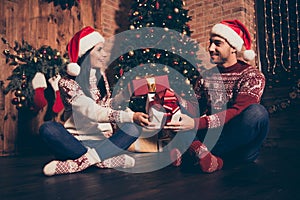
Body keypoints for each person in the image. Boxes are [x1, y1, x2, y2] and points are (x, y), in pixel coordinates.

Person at [40, 26, 150, 176]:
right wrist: (130, 116)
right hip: (76, 142)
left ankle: (80, 163)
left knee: (133, 128)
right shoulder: (67, 83)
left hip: (103, 140)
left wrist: (125, 94)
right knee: (48, 129)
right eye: (99, 50)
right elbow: (92, 111)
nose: (105, 54)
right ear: (85, 54)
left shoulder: (101, 78)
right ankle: (104, 160)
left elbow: (106, 105)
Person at [166, 20, 269, 173]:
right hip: (210, 135)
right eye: (210, 43)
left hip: (240, 145)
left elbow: (238, 111)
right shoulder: (206, 77)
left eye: (217, 43)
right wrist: (171, 97)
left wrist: (194, 125)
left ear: (233, 48)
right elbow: (194, 107)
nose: (210, 48)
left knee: (257, 113)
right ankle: (203, 154)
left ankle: (191, 150)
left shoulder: (252, 76)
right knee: (171, 100)